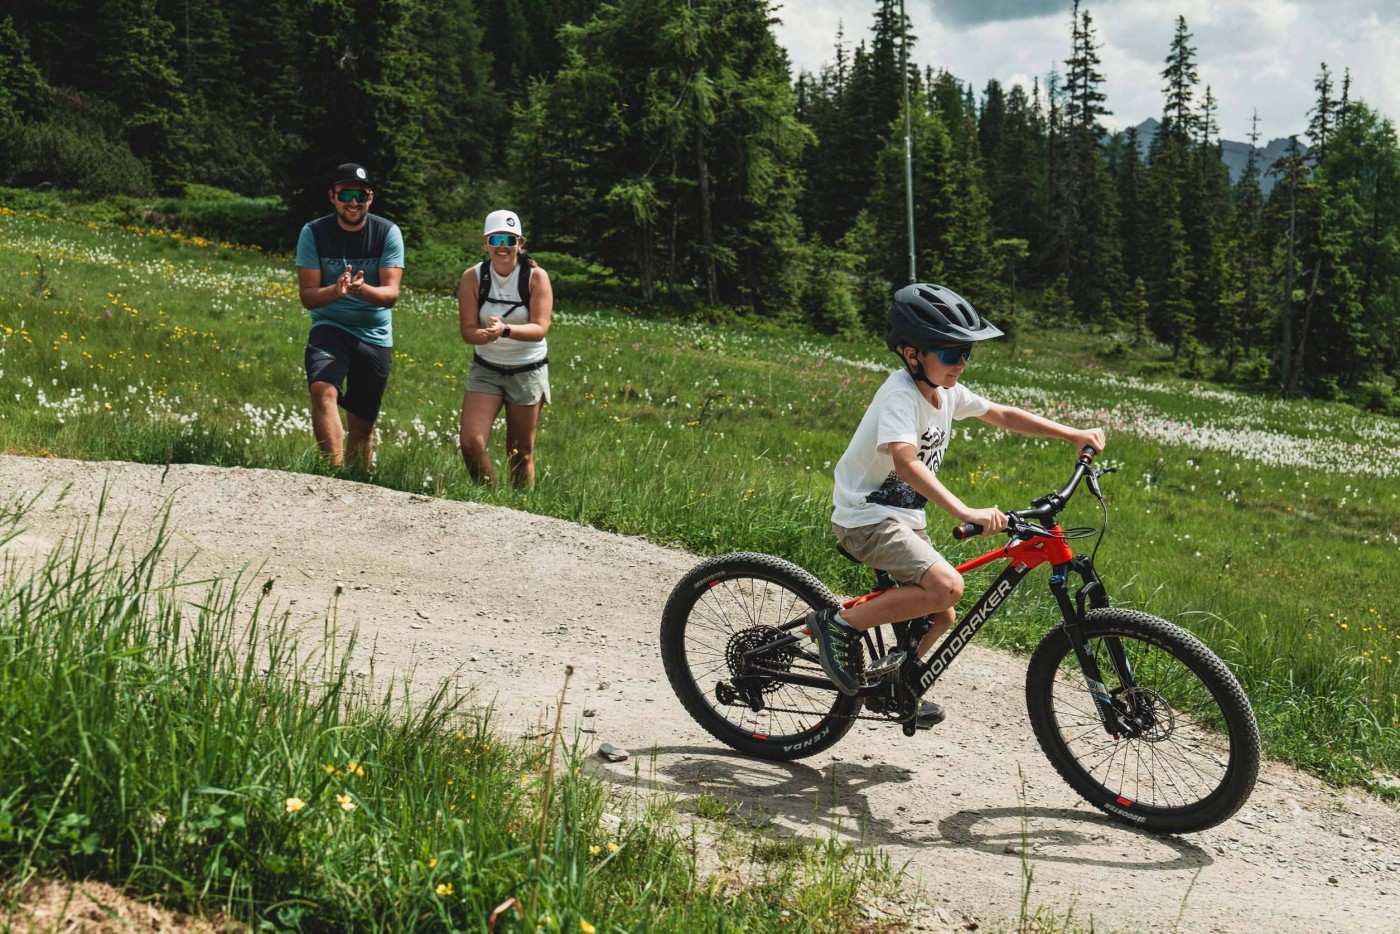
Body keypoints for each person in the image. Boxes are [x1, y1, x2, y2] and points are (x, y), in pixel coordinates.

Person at [806, 283, 1106, 729]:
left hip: (901, 518)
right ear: (913, 355)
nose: (961, 363)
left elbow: (1001, 414)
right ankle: (840, 625)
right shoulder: (899, 396)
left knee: (940, 614)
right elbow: (906, 464)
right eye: (950, 354)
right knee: (947, 587)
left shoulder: (946, 392)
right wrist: (965, 511)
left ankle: (893, 682)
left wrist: (1072, 434)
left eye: (966, 352)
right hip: (864, 518)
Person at [295, 162, 404, 469]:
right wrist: (336, 291)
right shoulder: (313, 232)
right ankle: (332, 472)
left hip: (374, 333)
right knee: (321, 390)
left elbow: (391, 294)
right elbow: (308, 297)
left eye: (360, 194)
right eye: (345, 194)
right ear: (333, 196)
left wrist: (362, 290)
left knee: (362, 424)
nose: (353, 202)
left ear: (370, 197)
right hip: (330, 326)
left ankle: (358, 485)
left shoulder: (387, 232)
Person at [458, 209, 554, 488]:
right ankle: (490, 499)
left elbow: (539, 329)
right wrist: (485, 335)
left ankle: (522, 510)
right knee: (470, 443)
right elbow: (467, 331)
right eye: (496, 239)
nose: (503, 247)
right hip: (486, 368)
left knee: (520, 453)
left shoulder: (536, 277)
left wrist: (505, 330)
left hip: (527, 370)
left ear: (520, 243)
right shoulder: (473, 277)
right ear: (485, 242)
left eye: (509, 240)